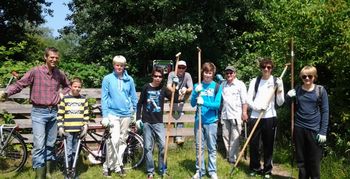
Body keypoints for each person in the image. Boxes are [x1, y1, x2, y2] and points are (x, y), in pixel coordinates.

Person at [0, 47, 70, 178]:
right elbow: (20, 84)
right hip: (39, 113)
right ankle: (40, 175)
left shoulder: (59, 74)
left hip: (54, 112)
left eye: (56, 57)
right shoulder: (35, 71)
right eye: (51, 57)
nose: (54, 59)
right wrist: (6, 92)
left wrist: (62, 93)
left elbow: (68, 86)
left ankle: (48, 172)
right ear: (45, 57)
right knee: (39, 145)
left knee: (50, 143)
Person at [286, 65, 329, 179]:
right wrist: (288, 97)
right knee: (301, 161)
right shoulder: (298, 90)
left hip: (314, 130)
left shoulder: (320, 90)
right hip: (299, 128)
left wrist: (323, 131)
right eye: (304, 76)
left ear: (314, 77)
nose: (307, 79)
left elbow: (325, 111)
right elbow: (289, 106)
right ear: (301, 77)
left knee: (314, 161)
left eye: (310, 76)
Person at [136, 67, 177, 179]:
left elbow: (175, 98)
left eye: (160, 76)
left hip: (158, 122)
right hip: (147, 122)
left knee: (163, 146)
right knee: (148, 147)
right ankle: (150, 171)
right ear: (152, 76)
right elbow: (139, 104)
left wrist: (175, 86)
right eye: (156, 76)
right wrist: (138, 118)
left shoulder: (163, 89)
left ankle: (163, 169)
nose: (158, 78)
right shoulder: (146, 87)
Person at [246, 58, 284, 178]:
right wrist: (257, 107)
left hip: (270, 116)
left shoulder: (276, 81)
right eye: (264, 67)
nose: (266, 69)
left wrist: (280, 89)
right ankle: (255, 167)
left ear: (272, 68)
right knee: (254, 144)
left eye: (269, 67)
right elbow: (248, 99)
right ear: (261, 68)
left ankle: (267, 170)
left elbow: (280, 102)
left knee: (268, 144)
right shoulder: (255, 81)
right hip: (255, 116)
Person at [100, 55, 138, 177]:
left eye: (122, 65)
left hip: (126, 114)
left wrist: (135, 113)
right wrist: (105, 116)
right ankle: (107, 166)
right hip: (113, 114)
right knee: (113, 140)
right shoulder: (108, 79)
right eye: (117, 65)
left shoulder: (129, 80)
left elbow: (133, 97)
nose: (119, 67)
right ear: (113, 65)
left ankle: (118, 165)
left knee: (123, 141)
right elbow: (104, 98)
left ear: (124, 66)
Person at [190, 62, 222, 179]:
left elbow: (217, 105)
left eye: (210, 73)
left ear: (213, 74)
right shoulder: (197, 86)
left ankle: (212, 171)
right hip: (199, 121)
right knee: (199, 147)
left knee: (212, 147)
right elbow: (193, 104)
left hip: (212, 122)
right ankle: (200, 171)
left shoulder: (217, 87)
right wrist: (195, 93)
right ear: (202, 73)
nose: (207, 75)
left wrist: (204, 102)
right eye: (205, 72)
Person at [57, 77, 89, 179]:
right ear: (71, 86)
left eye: (79, 87)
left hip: (78, 130)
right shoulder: (65, 99)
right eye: (75, 86)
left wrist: (85, 126)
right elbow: (60, 115)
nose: (77, 88)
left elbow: (86, 115)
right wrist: (60, 127)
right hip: (67, 131)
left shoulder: (83, 99)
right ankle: (67, 172)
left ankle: (74, 172)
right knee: (69, 152)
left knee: (75, 152)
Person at [220, 66, 248, 164]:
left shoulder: (240, 85)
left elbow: (245, 101)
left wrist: (244, 113)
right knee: (225, 136)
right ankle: (228, 155)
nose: (229, 75)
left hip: (236, 115)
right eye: (227, 73)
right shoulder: (223, 84)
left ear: (235, 73)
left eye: (231, 73)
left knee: (235, 137)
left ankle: (233, 158)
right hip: (225, 114)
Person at [166, 60, 193, 144]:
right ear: (176, 67)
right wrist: (175, 89)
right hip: (172, 97)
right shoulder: (172, 74)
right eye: (179, 67)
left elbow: (191, 88)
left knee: (181, 115)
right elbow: (168, 86)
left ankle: (179, 137)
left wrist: (185, 90)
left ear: (185, 68)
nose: (181, 69)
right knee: (172, 116)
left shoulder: (187, 75)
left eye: (183, 68)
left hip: (181, 98)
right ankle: (170, 138)